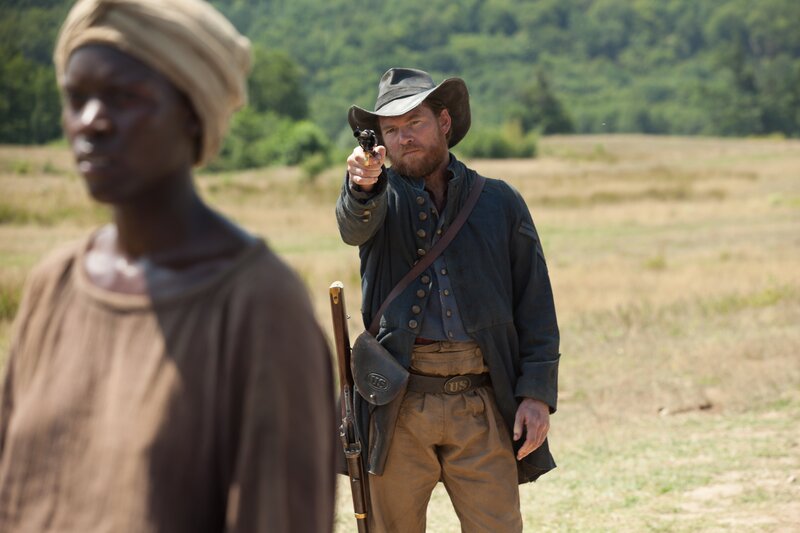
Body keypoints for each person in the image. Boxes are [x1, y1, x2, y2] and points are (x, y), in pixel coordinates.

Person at [0, 1, 335, 531]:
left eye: (124, 97)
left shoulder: (260, 306)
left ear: (192, 113)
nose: (91, 122)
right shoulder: (53, 286)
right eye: (76, 97)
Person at [336, 67, 560, 532]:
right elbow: (353, 222)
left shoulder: (500, 201)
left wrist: (536, 394)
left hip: (481, 401)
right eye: (390, 130)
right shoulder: (376, 196)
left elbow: (535, 302)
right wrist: (361, 185)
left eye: (413, 123)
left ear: (443, 122)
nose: (403, 138)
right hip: (397, 403)